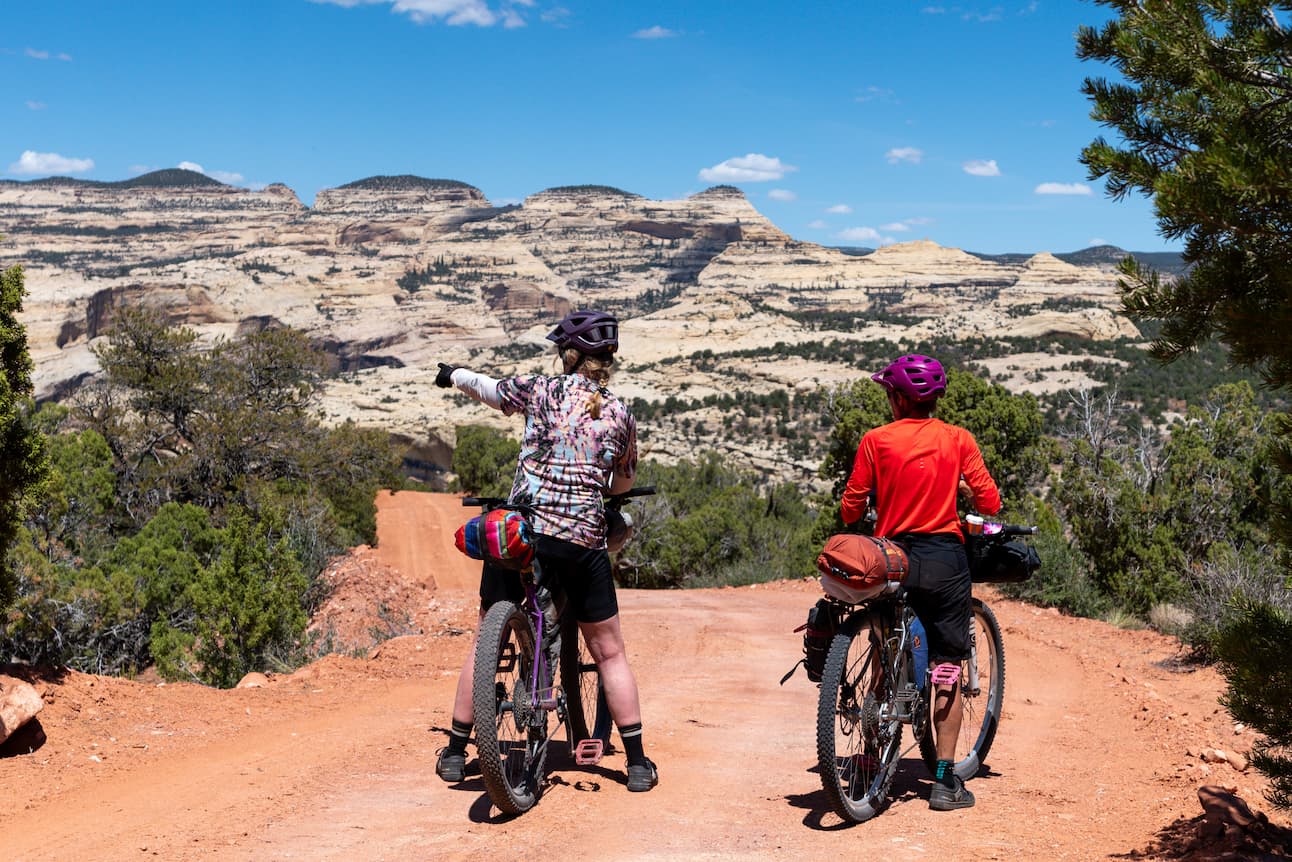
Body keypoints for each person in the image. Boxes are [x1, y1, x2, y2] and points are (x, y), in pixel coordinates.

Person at [432, 309, 658, 793]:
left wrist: (454, 375)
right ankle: (637, 763)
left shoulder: (541, 390)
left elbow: (491, 390)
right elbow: (624, 480)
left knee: (482, 642)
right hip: (579, 541)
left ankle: (454, 750)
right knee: (610, 651)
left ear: (569, 355)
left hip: (521, 534)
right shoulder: (620, 413)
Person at [839, 354, 1000, 812]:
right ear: (934, 400)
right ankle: (946, 782)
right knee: (948, 667)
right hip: (945, 561)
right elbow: (990, 500)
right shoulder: (957, 439)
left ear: (895, 397)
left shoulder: (875, 440)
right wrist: (963, 491)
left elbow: (851, 510)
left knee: (883, 647)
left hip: (893, 558)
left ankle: (871, 757)